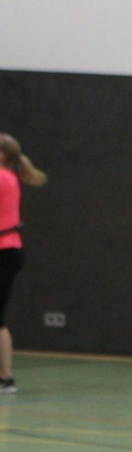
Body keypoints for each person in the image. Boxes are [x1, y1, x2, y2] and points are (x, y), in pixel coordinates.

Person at [0, 135, 48, 396]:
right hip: (9, 252)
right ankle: (5, 379)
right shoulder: (9, 177)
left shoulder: (2, 177)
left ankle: (6, 379)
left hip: (4, 253)